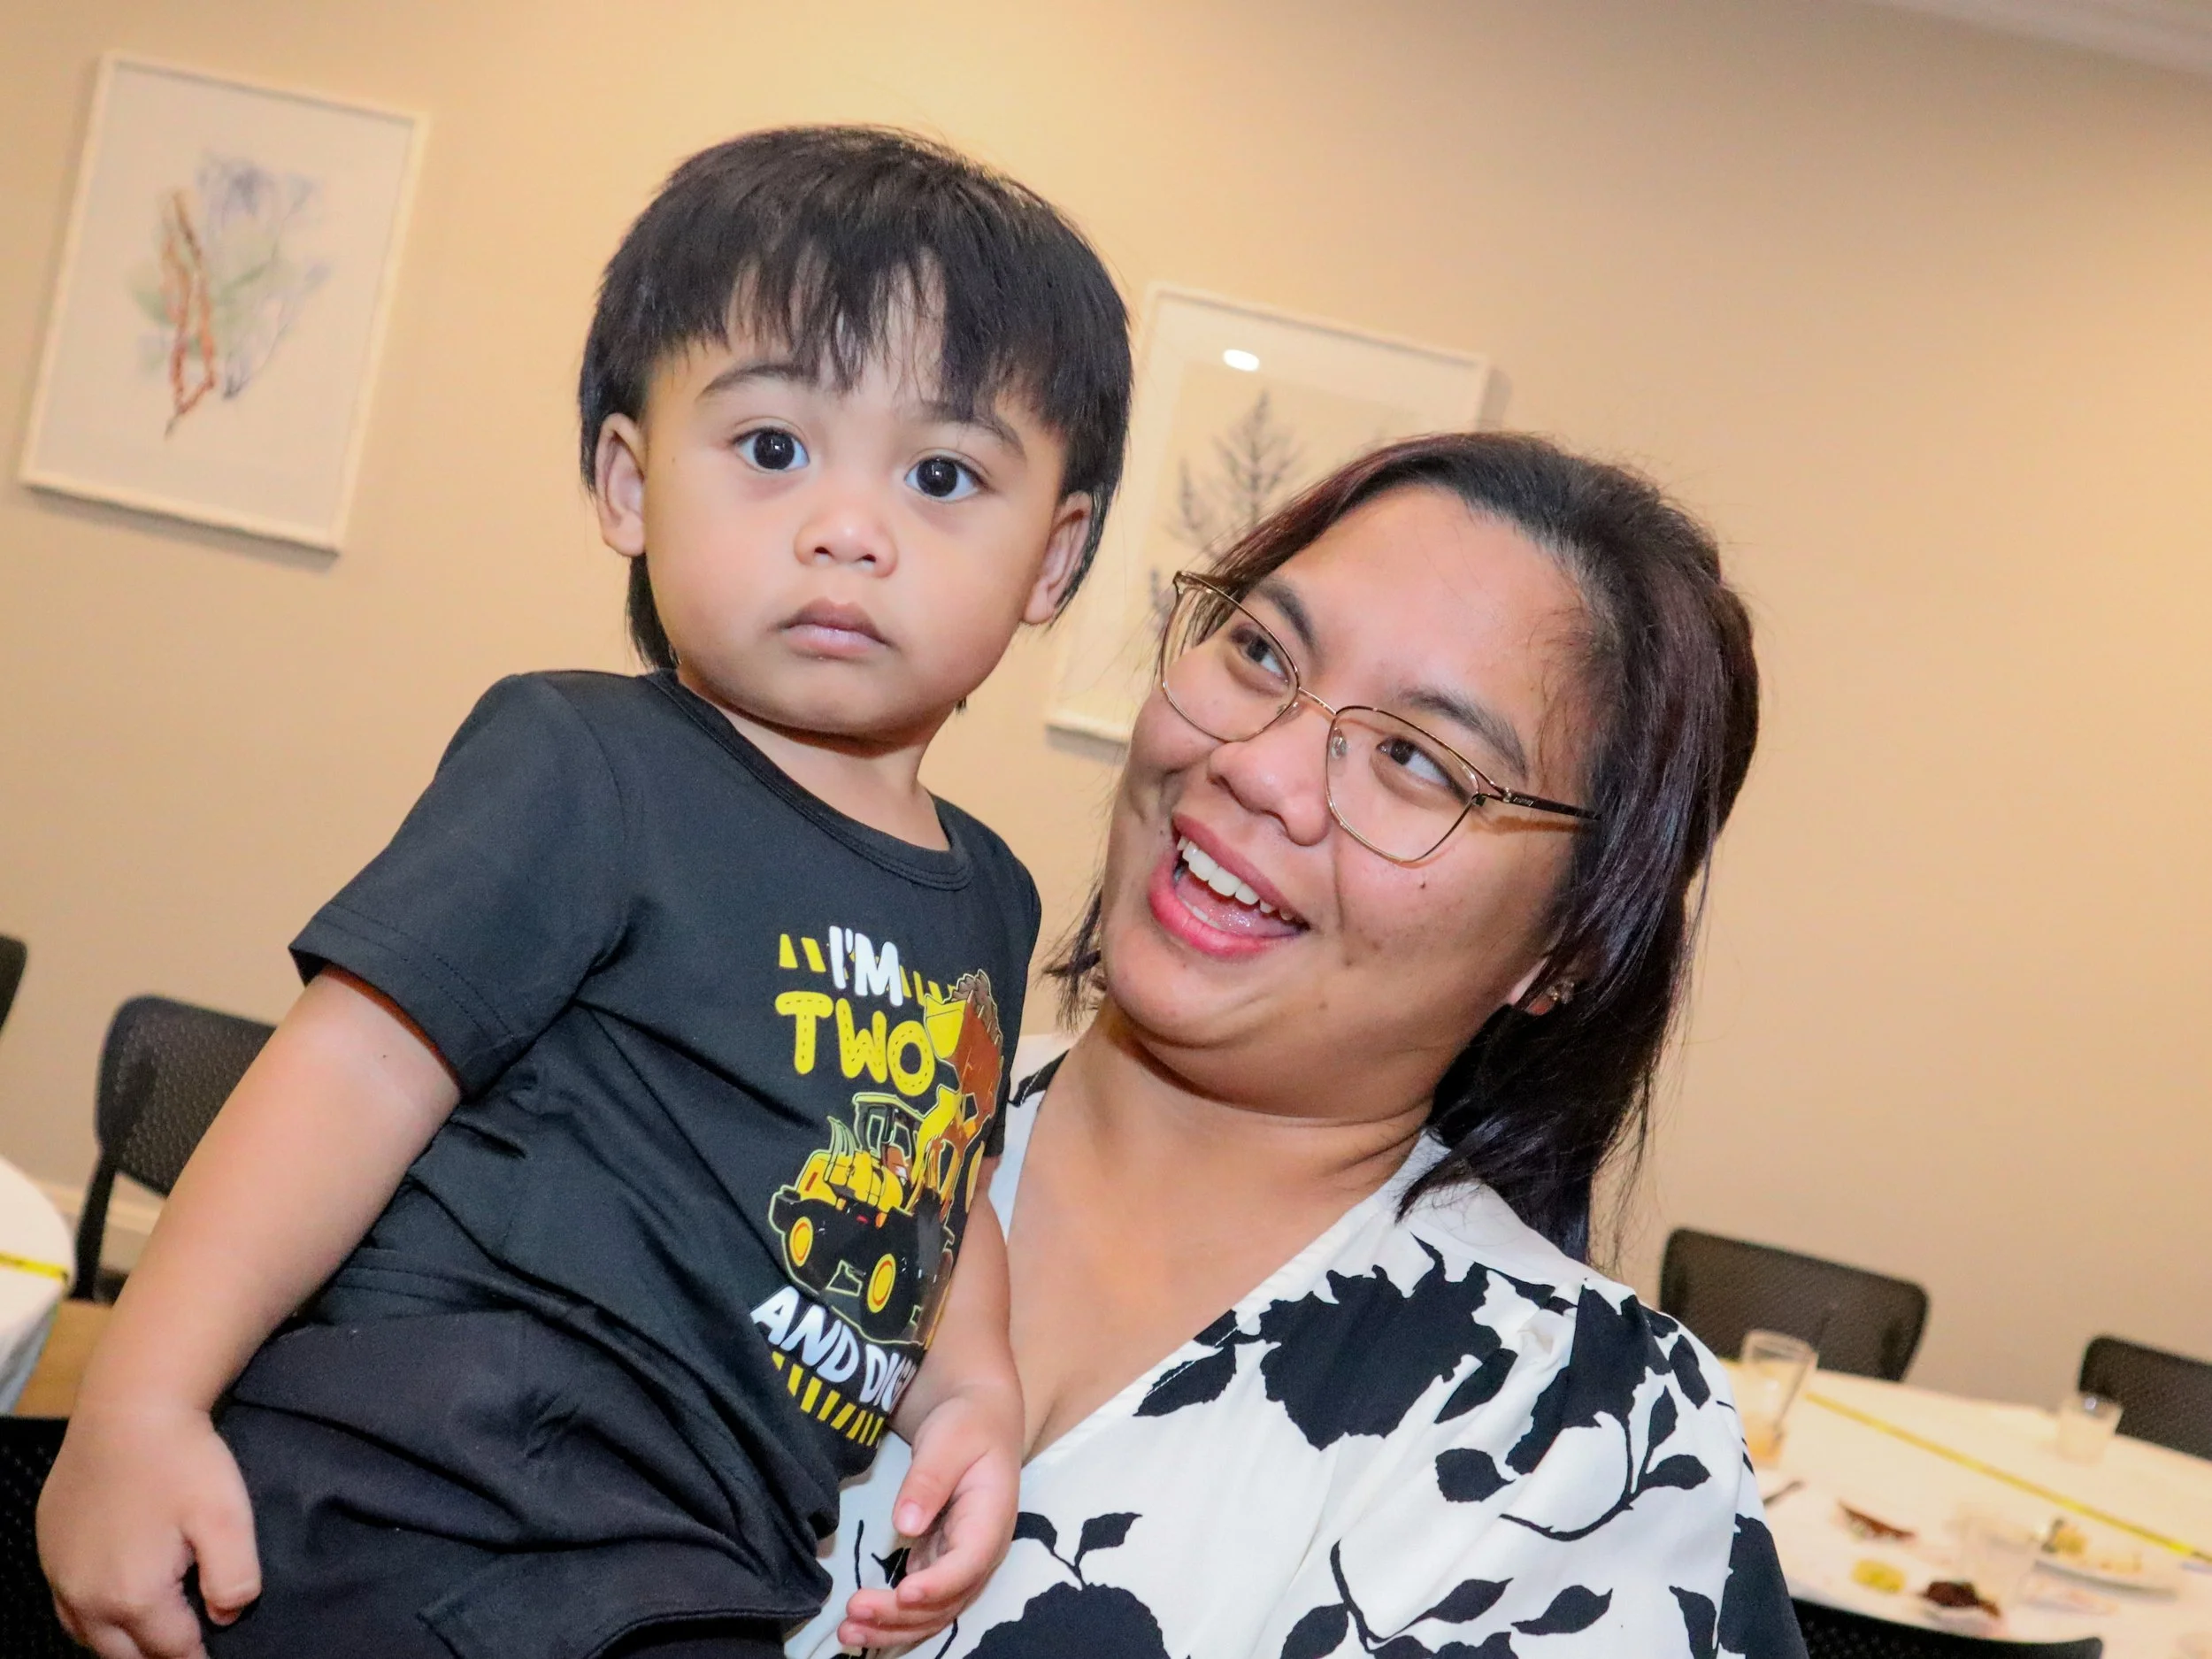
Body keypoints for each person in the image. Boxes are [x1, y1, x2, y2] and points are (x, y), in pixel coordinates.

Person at [41, 127, 1132, 1659]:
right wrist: (139, 1399)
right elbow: (346, 1070)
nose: (848, 524)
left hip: (698, 1568)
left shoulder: (993, 898)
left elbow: (933, 1170)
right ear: (628, 481)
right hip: (417, 1493)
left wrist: (972, 1388)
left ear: (1053, 559)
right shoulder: (587, 762)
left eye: (943, 474)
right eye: (771, 448)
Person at [808, 432, 1806, 1658]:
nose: (1258, 764)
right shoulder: (828, 1098)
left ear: (1569, 947)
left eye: (1418, 759)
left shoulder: (1582, 1444)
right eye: (1263, 652)